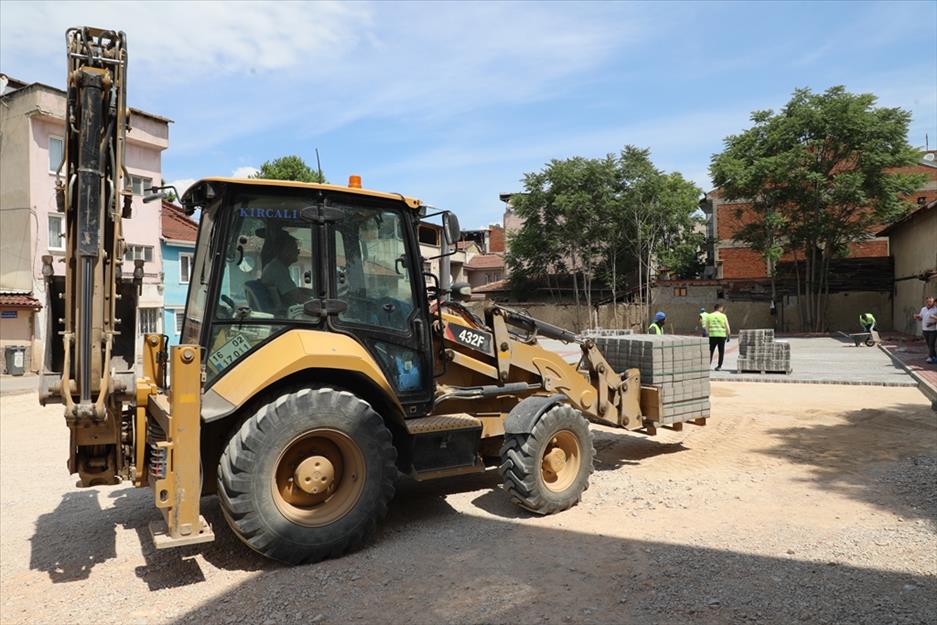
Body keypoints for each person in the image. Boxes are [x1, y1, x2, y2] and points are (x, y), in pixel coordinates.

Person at [261, 232, 310, 307]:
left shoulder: (275, 266)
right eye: (294, 248)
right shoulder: (278, 270)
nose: (298, 252)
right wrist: (315, 303)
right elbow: (297, 297)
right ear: (284, 250)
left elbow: (291, 290)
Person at [706, 303, 731, 370]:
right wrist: (728, 334)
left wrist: (709, 334)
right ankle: (719, 366)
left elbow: (707, 327)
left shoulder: (709, 316)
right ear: (719, 308)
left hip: (712, 336)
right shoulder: (723, 316)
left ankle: (708, 365)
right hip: (721, 336)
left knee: (711, 351)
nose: (722, 309)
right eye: (722, 308)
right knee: (721, 351)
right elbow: (727, 326)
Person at [914, 296, 937, 364]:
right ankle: (934, 357)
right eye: (927, 302)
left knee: (931, 344)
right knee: (929, 344)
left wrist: (932, 324)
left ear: (933, 302)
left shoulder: (936, 309)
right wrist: (917, 317)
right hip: (925, 329)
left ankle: (930, 357)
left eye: (930, 302)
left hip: (933, 330)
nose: (929, 303)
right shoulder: (923, 309)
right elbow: (921, 318)